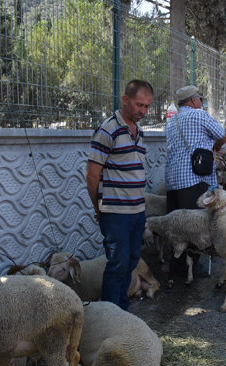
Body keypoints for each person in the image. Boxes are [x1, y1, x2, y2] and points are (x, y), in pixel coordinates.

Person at [86, 79, 153, 311]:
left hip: (137, 212)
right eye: (138, 105)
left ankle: (122, 312)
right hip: (115, 213)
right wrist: (99, 208)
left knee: (131, 263)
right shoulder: (108, 130)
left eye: (147, 106)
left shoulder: (140, 132)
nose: (143, 111)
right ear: (125, 100)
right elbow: (92, 175)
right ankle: (110, 318)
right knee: (117, 264)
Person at [165, 85, 226, 276]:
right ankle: (190, 268)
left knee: (177, 226)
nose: (201, 101)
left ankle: (176, 265)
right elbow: (222, 135)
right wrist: (214, 147)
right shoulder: (199, 115)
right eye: (199, 97)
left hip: (173, 180)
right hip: (195, 178)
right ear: (193, 100)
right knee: (194, 226)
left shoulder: (171, 121)